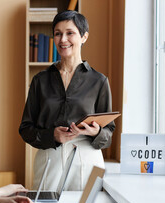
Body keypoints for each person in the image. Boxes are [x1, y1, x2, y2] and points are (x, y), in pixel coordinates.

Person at [19, 10, 115, 191]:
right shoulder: (40, 80)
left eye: (70, 33)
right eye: (57, 33)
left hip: (87, 158)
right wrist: (52, 136)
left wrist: (96, 133)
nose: (63, 39)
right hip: (50, 157)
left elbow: (108, 133)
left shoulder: (99, 81)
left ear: (84, 37)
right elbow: (25, 129)